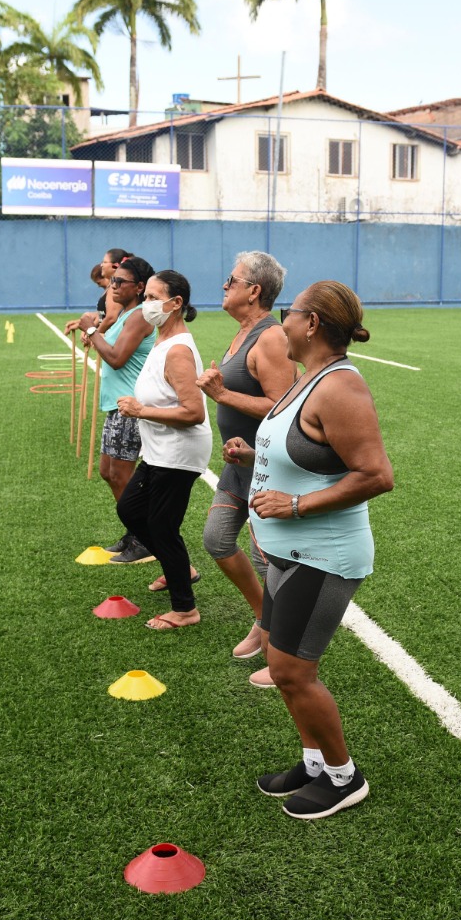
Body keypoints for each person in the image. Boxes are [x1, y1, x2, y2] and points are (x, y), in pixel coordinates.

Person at [227, 280, 393, 819]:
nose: (281, 322)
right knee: (281, 666)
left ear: (313, 323)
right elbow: (304, 458)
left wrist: (295, 509)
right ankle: (315, 762)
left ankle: (344, 778)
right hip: (286, 553)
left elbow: (376, 475)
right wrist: (252, 457)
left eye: (288, 313)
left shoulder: (341, 387)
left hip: (322, 554)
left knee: (294, 671)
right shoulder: (307, 379)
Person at [193, 251, 296, 685]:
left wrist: (222, 395)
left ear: (254, 290)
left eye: (231, 279)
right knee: (217, 540)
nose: (223, 285)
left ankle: (284, 652)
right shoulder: (241, 333)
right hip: (237, 466)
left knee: (267, 559)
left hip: (265, 468)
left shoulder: (270, 338)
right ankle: (263, 618)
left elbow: (283, 405)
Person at [113, 270, 211, 629]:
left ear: (176, 304)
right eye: (147, 297)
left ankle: (185, 609)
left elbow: (194, 412)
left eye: (154, 298)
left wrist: (141, 411)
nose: (147, 304)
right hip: (157, 451)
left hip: (179, 452)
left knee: (161, 525)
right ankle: (179, 568)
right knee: (131, 509)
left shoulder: (179, 350)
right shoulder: (160, 341)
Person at [73, 255, 156, 562]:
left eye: (120, 281)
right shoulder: (125, 314)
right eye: (112, 280)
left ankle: (144, 538)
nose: (113, 285)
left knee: (121, 476)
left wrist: (93, 332)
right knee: (109, 473)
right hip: (117, 406)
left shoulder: (139, 317)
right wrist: (95, 332)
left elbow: (117, 357)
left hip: (130, 406)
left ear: (139, 287)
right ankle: (135, 533)